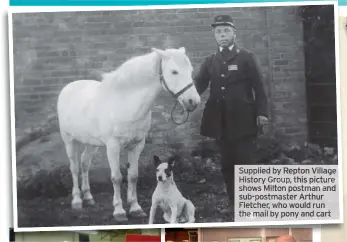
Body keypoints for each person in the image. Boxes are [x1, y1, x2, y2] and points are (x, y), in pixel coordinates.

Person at [193, 14, 269, 217]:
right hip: (221, 123)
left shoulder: (246, 57)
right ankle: (233, 202)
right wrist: (186, 100)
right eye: (218, 32)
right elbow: (198, 86)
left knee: (246, 163)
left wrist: (262, 114)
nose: (222, 35)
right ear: (214, 36)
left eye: (226, 30)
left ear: (234, 33)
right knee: (227, 165)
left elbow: (259, 88)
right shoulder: (210, 61)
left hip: (244, 121)